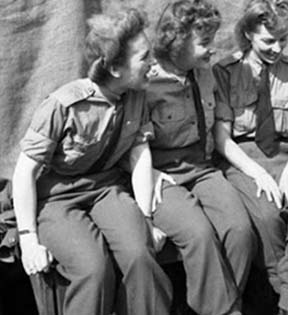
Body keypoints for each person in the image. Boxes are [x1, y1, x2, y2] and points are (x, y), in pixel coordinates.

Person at [12, 8, 172, 315]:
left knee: (141, 254)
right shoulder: (63, 104)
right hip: (57, 198)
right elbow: (24, 173)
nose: (152, 64)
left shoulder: (136, 94)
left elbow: (139, 154)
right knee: (92, 268)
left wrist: (146, 219)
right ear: (114, 68)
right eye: (144, 58)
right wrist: (28, 238)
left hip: (105, 189)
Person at [212, 1, 288, 314]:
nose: (276, 48)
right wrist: (256, 173)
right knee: (265, 214)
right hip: (243, 158)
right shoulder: (225, 72)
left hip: (285, 154)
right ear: (248, 33)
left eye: (283, 40)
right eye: (268, 41)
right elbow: (222, 138)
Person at [146, 1, 256, 314]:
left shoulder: (205, 74)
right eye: (204, 43)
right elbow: (127, 146)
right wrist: (147, 173)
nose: (211, 50)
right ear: (176, 42)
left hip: (202, 169)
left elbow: (219, 132)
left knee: (240, 230)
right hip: (161, 177)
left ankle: (216, 307)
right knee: (199, 234)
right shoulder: (146, 83)